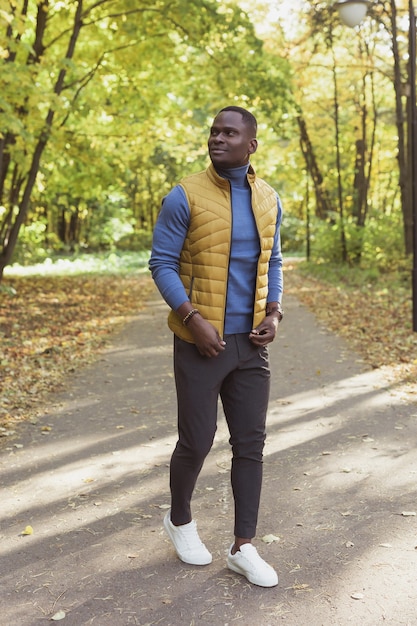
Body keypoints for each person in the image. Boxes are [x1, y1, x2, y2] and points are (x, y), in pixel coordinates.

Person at [149, 105, 283, 588]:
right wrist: (193, 319)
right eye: (213, 132)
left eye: (229, 133)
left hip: (250, 346)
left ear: (251, 144)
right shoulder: (184, 196)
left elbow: (275, 262)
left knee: (251, 444)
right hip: (199, 342)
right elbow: (161, 262)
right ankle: (180, 519)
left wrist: (275, 313)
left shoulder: (269, 199)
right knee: (198, 441)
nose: (217, 139)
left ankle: (243, 546)